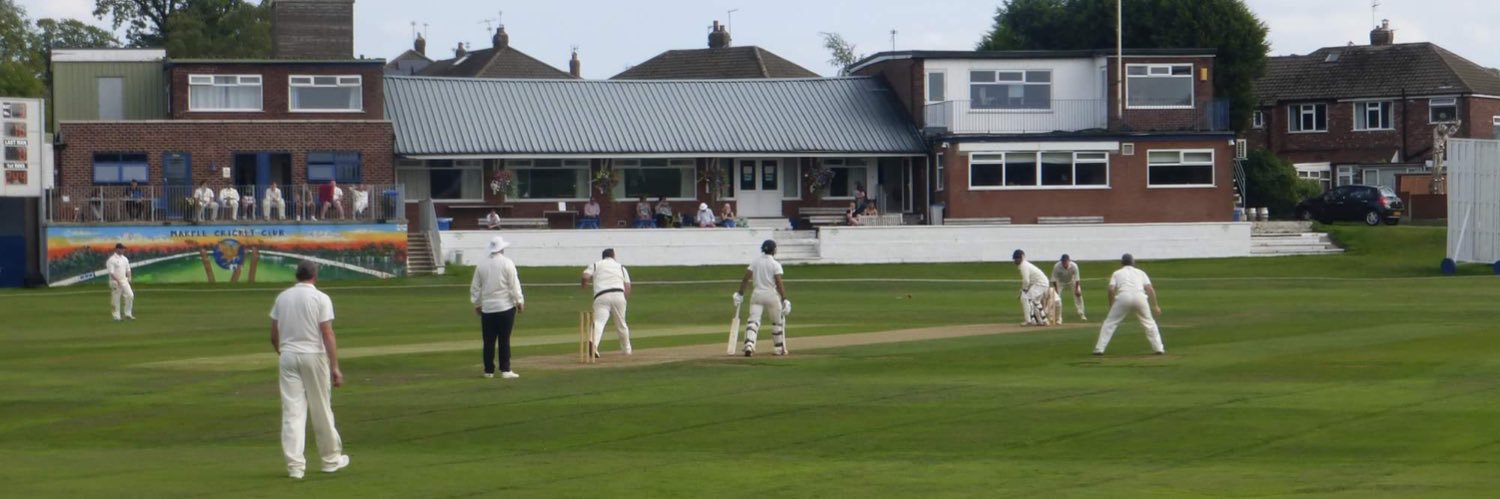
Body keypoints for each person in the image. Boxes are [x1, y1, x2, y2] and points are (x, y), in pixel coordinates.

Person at [269, 261, 351, 479]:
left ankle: (295, 467)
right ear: (314, 276)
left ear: (297, 276)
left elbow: (273, 334)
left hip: (287, 356)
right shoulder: (321, 298)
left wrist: (283, 353)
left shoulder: (282, 297)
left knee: (292, 412)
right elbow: (327, 333)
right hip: (313, 355)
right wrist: (335, 366)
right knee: (321, 407)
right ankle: (330, 460)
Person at [470, 236, 525, 379]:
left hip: (488, 308)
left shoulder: (481, 265)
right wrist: (519, 301)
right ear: (502, 248)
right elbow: (514, 284)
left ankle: (488, 371)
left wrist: (477, 304)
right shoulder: (507, 263)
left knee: (488, 340)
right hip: (505, 307)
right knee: (504, 339)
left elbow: (475, 287)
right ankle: (505, 370)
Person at [1094, 254, 1165, 355]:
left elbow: (1111, 289)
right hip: (1140, 297)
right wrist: (1155, 305)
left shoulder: (1117, 273)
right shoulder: (1141, 272)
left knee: (1110, 323)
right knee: (1149, 323)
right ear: (1133, 262)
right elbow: (1149, 288)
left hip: (1123, 297)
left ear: (1122, 263)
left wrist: (1111, 305)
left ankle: (1099, 349)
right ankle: (1159, 348)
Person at [733, 240, 790, 356]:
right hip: (771, 295)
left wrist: (740, 293)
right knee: (777, 323)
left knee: (753, 321)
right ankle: (779, 348)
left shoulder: (755, 262)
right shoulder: (775, 264)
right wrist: (784, 298)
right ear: (774, 250)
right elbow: (779, 282)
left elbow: (746, 278)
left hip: (757, 295)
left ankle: (749, 345)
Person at [581, 248, 632, 358]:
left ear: (603, 256)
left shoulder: (596, 264)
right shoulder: (621, 267)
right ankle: (627, 349)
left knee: (599, 322)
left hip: (601, 296)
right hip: (618, 295)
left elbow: (585, 275)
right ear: (613, 256)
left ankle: (593, 344)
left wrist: (584, 284)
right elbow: (627, 286)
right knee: (621, 324)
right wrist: (624, 299)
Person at [1013, 249, 1051, 326]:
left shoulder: (1024, 265)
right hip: (1042, 283)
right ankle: (1043, 320)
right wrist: (1023, 290)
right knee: (1035, 301)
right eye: (1015, 259)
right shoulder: (1024, 264)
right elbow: (1028, 281)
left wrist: (1024, 290)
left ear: (1021, 258)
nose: (1016, 261)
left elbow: (1026, 280)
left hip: (1040, 283)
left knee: (1025, 298)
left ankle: (1029, 321)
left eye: (1017, 258)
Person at [1051, 254, 1087, 323]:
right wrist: (1056, 291)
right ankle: (1058, 318)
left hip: (1072, 281)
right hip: (1060, 282)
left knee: (1078, 295)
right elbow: (1054, 279)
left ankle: (1082, 314)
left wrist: (1077, 289)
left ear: (1069, 261)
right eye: (1063, 261)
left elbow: (1077, 278)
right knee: (1056, 299)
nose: (1064, 263)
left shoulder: (1074, 266)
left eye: (1065, 261)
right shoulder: (1057, 266)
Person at [106, 243, 134, 321]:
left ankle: (128, 313)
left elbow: (128, 269)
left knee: (130, 295)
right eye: (122, 249)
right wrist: (117, 281)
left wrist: (129, 277)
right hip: (115, 281)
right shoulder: (111, 260)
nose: (123, 250)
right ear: (117, 249)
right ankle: (116, 316)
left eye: (124, 249)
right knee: (116, 299)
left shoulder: (125, 259)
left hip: (124, 280)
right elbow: (111, 273)